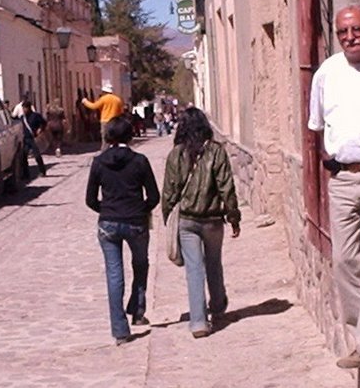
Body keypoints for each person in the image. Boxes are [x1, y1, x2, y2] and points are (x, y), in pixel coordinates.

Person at [307, 4, 360, 378]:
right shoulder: (327, 73)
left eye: (356, 30)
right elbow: (317, 126)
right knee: (345, 260)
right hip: (342, 179)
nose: (350, 37)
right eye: (343, 32)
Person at [161, 106, 241, 338]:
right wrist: (233, 216)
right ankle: (217, 308)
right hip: (213, 219)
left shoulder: (176, 154)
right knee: (214, 263)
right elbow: (226, 186)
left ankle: (198, 322)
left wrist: (169, 219)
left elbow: (169, 191)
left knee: (194, 269)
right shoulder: (216, 152)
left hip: (187, 219)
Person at [85, 115, 160, 345]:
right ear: (130, 135)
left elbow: (90, 199)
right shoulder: (140, 161)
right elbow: (154, 196)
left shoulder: (98, 162)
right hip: (136, 221)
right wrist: (141, 209)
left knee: (114, 273)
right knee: (140, 264)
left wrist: (106, 209)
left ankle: (120, 330)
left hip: (108, 223)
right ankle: (137, 310)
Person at [82, 82, 125, 150]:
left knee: (105, 139)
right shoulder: (118, 99)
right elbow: (121, 112)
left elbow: (94, 106)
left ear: (104, 91)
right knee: (114, 138)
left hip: (105, 121)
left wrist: (85, 102)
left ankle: (104, 153)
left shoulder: (104, 99)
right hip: (115, 121)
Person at [19, 100, 47, 177]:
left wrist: (40, 129)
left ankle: (42, 171)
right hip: (25, 139)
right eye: (23, 108)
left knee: (37, 155)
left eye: (25, 108)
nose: (24, 110)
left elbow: (44, 123)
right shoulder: (22, 118)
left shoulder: (36, 116)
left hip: (33, 138)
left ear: (29, 108)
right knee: (23, 156)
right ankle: (26, 174)